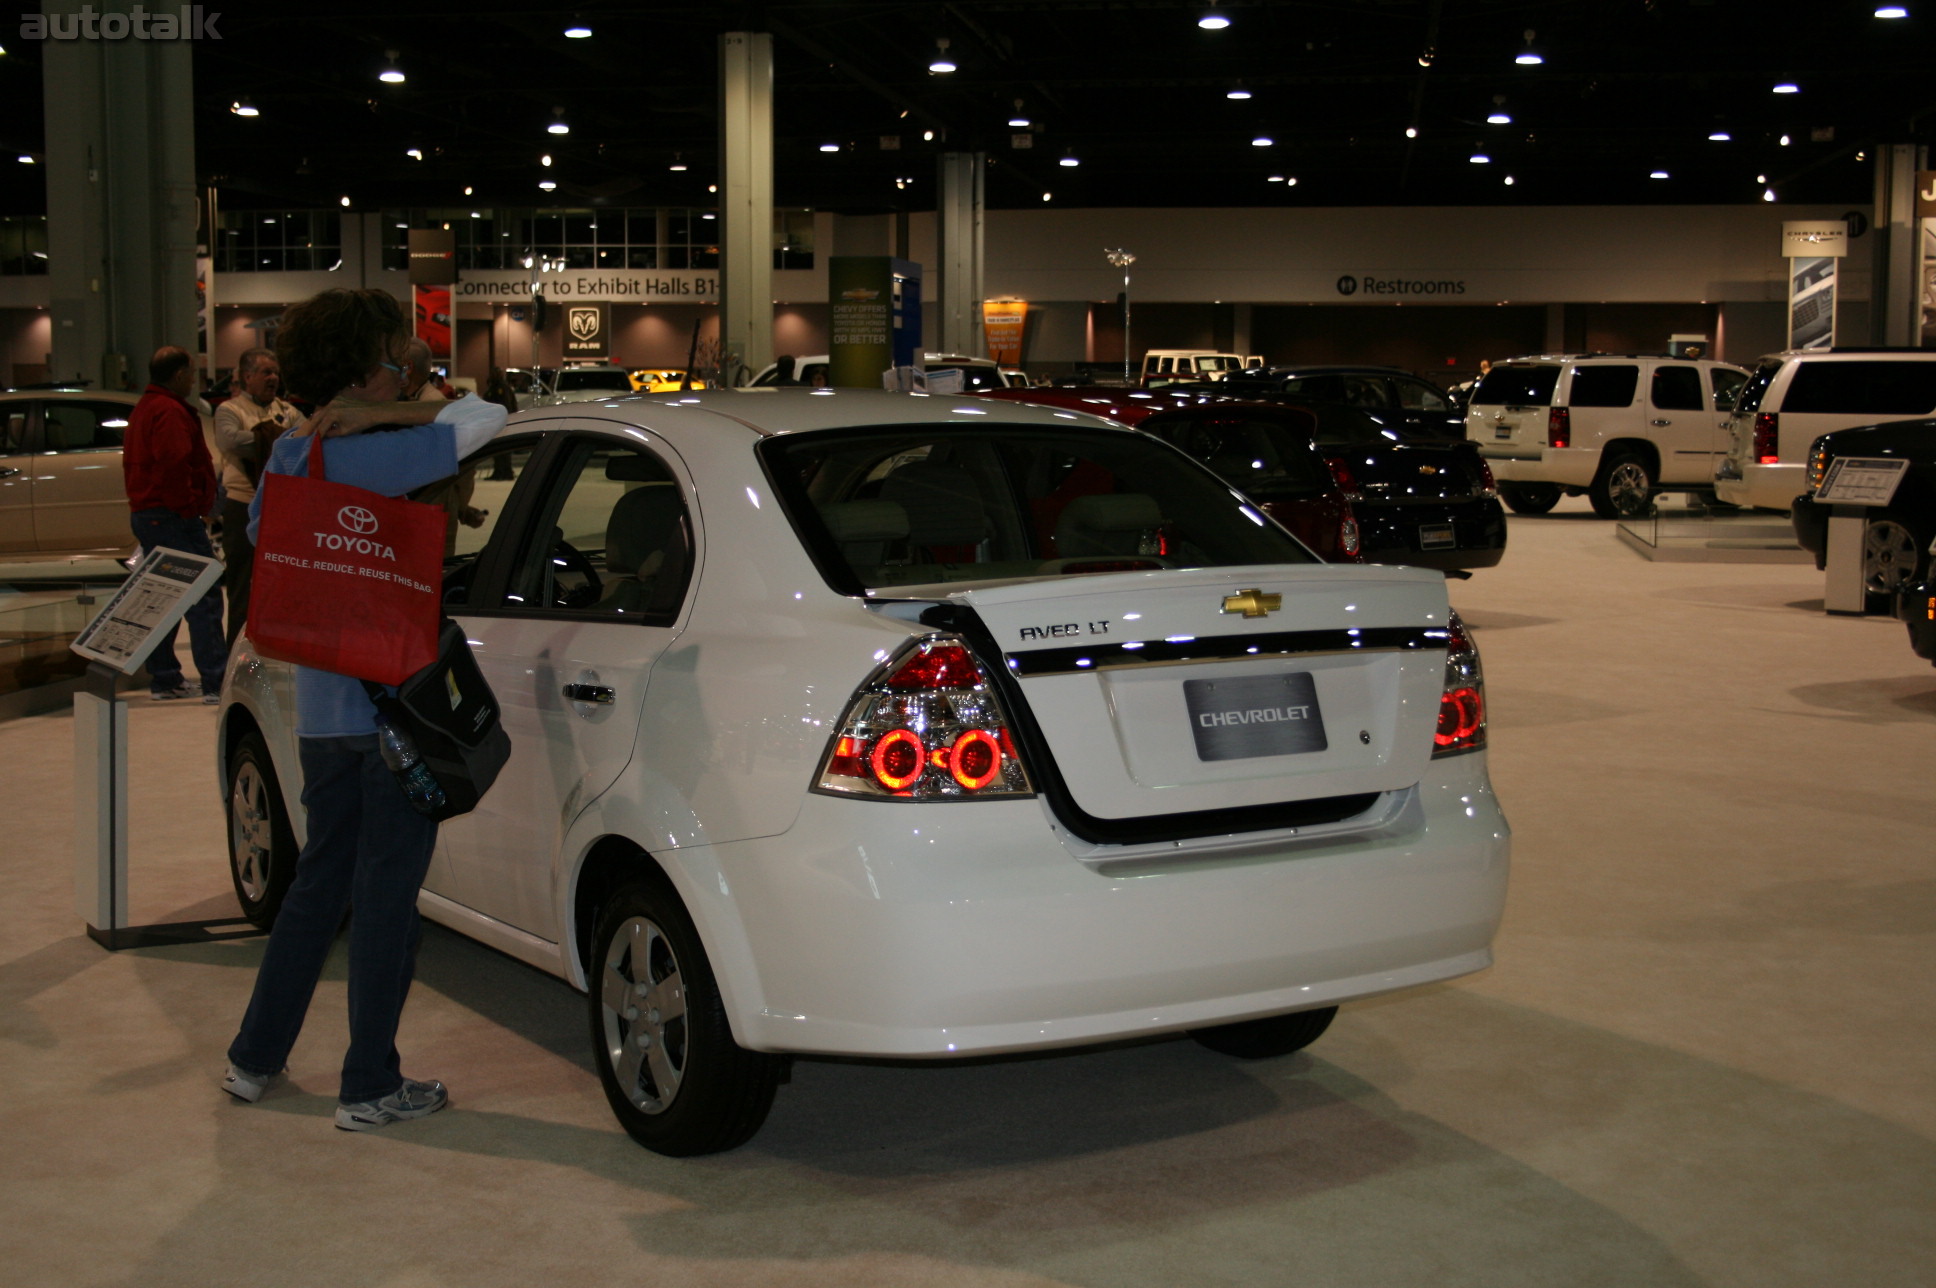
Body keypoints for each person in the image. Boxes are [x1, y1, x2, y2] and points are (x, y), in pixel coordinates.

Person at [221, 288, 507, 1132]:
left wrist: (334, 418)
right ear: (361, 371)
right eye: (393, 358)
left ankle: (253, 1058)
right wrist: (394, 410)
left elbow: (257, 540)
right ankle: (370, 1083)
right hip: (395, 707)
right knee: (387, 897)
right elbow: (485, 416)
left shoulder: (288, 457)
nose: (403, 370)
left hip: (322, 709)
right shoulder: (386, 454)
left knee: (319, 888)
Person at [123, 345, 228, 702]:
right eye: (193, 374)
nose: (195, 381)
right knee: (204, 595)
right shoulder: (169, 411)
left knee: (164, 597)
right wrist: (189, 508)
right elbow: (174, 463)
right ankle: (215, 682)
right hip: (172, 516)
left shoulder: (145, 409)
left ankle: (165, 678)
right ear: (180, 375)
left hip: (150, 515)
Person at [211, 347, 303, 645]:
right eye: (266, 372)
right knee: (242, 587)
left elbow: (308, 439)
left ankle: (277, 650)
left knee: (283, 584)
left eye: (276, 372)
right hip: (243, 505)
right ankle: (235, 658)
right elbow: (230, 440)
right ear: (247, 377)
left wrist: (273, 437)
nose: (273, 378)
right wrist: (278, 437)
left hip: (281, 508)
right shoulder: (229, 409)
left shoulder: (288, 410)